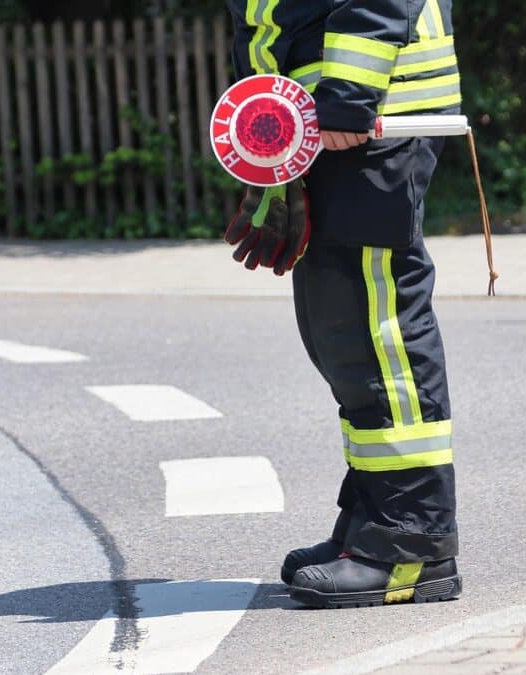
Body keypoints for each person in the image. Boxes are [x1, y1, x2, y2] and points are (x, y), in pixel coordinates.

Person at [224, 0, 462, 609]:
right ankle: (372, 523)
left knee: (379, 333)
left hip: (368, 115)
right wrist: (273, 133)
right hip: (324, 119)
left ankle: (411, 547)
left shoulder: (351, 104)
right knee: (343, 335)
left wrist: (347, 96)